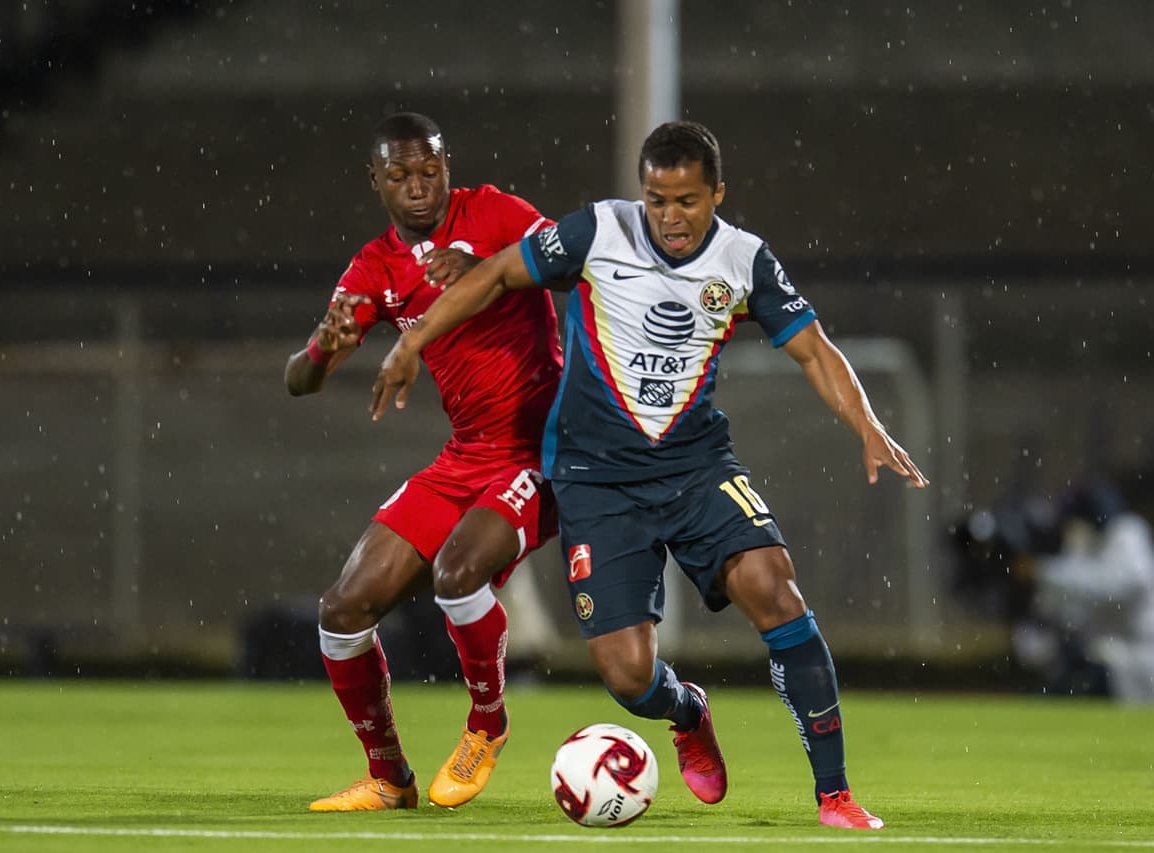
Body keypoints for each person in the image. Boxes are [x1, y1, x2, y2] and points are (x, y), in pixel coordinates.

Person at [372, 120, 929, 830]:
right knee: (629, 676)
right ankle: (688, 710)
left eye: (687, 201)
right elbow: (498, 273)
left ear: (717, 194)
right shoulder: (598, 232)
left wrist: (869, 426)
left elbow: (816, 351)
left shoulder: (743, 260)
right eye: (657, 199)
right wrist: (415, 338)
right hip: (597, 481)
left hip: (696, 468)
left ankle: (836, 795)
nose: (669, 216)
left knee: (775, 587)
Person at [285, 112, 564, 811]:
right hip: (465, 455)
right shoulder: (374, 267)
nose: (418, 186)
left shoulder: (497, 213)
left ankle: (487, 727)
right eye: (401, 174)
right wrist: (323, 346)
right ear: (375, 180)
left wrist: (497, 271)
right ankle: (388, 777)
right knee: (343, 608)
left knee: (459, 573)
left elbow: (579, 265)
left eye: (429, 169)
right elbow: (299, 378)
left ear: (448, 164)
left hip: (541, 449)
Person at [1027, 480, 1154, 702]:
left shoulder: (1127, 532)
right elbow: (1071, 609)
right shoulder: (1085, 543)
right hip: (1103, 657)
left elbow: (1122, 583)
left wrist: (1043, 572)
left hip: (1136, 659)